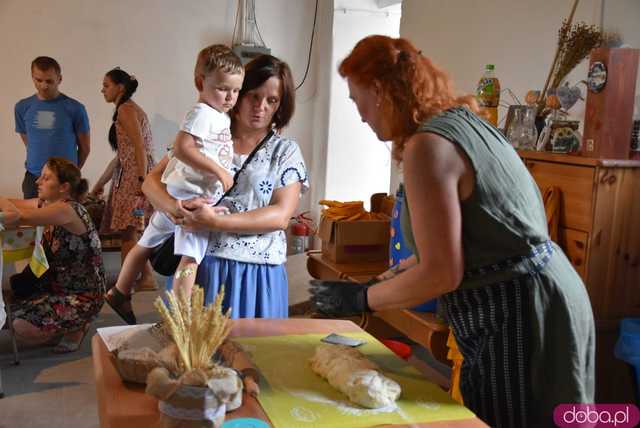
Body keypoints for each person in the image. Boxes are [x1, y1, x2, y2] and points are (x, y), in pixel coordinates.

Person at [309, 35, 595, 427]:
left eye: (357, 100)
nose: (360, 115)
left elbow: (443, 272)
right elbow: (462, 240)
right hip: (545, 294)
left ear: (379, 92)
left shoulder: (427, 147)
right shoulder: (462, 123)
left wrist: (364, 297)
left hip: (516, 312)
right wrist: (390, 276)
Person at [106, 54, 307, 323]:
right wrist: (174, 209)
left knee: (253, 357)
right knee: (196, 355)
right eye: (253, 96)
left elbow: (281, 216)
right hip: (202, 269)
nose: (260, 107)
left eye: (272, 100)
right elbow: (152, 181)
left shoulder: (285, 151)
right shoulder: (208, 132)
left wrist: (214, 221)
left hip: (257, 275)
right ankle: (129, 295)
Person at [0, 157, 105, 353]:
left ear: (64, 187)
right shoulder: (48, 204)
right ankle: (62, 322)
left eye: (46, 178)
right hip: (56, 288)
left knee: (19, 325)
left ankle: (77, 325)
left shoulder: (67, 210)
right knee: (6, 316)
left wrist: (4, 204)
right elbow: (14, 205)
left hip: (82, 296)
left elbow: (16, 216)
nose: (38, 182)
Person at [91, 68, 156, 292]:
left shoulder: (126, 109)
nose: (102, 90)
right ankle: (144, 277)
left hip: (133, 177)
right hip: (129, 175)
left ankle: (127, 283)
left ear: (120, 87)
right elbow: (121, 156)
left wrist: (141, 179)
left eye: (106, 85)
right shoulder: (126, 109)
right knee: (131, 231)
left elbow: (140, 147)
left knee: (129, 231)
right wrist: (100, 184)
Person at [15, 56, 90, 199]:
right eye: (38, 80)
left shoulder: (75, 108)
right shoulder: (22, 107)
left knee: (64, 220)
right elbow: (29, 142)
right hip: (33, 178)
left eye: (49, 81)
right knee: (32, 219)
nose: (44, 85)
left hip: (64, 181)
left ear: (59, 79)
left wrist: (70, 174)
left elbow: (85, 149)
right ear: (32, 77)